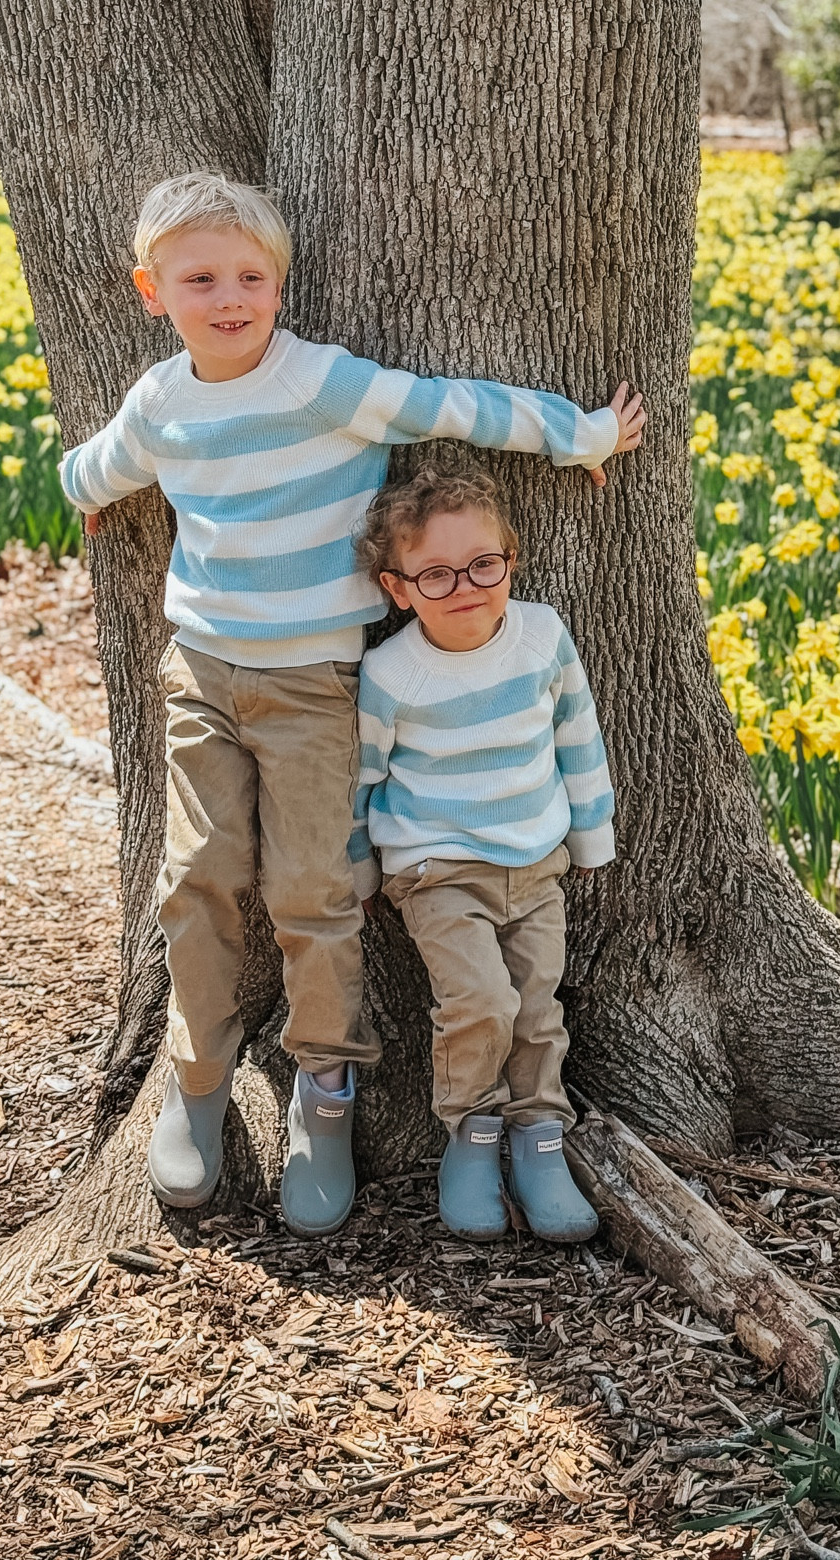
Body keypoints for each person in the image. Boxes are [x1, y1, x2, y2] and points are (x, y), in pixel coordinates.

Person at [59, 169, 643, 1237]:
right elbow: (105, 462)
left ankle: (322, 1090)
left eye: (250, 275)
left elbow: (453, 404)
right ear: (154, 291)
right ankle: (197, 1078)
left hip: (316, 684)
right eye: (201, 278)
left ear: (280, 282)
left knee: (315, 889)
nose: (229, 296)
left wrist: (580, 434)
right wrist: (82, 492)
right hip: (201, 671)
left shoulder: (323, 382)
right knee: (198, 875)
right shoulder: (162, 400)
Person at [353, 463, 611, 1242]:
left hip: (537, 862)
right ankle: (470, 1134)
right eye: (436, 575)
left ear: (510, 558)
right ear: (397, 589)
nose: (466, 586)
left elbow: (578, 734)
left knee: (537, 1011)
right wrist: (363, 869)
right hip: (437, 870)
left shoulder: (543, 638)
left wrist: (591, 835)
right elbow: (361, 779)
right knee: (482, 1005)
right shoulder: (391, 673)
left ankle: (540, 1140)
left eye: (483, 564)